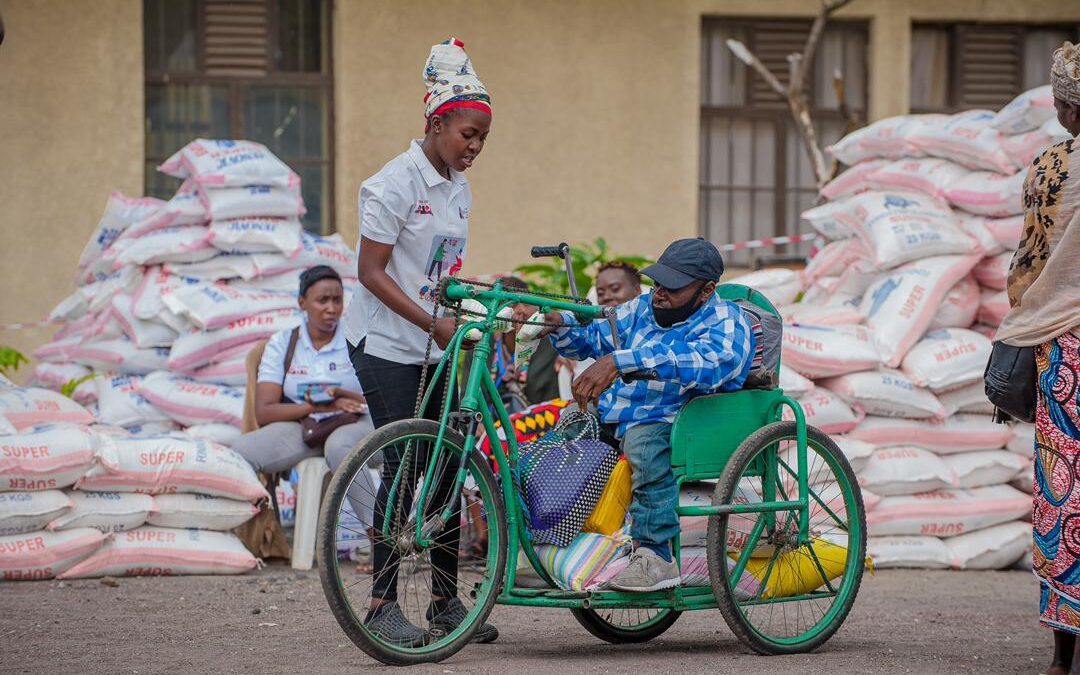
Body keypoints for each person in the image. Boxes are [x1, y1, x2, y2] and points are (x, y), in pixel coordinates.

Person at [342, 37, 497, 646]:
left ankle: (443, 603)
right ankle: (381, 605)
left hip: (435, 344)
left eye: (482, 139)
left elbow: (440, 270)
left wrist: (471, 305)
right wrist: (433, 321)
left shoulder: (457, 186)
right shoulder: (391, 186)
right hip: (385, 343)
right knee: (408, 462)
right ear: (435, 124)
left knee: (448, 463)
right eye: (466, 135)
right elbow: (371, 273)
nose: (474, 148)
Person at [531, 238, 755, 592]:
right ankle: (557, 543)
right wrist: (558, 324)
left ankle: (656, 555)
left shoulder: (726, 320)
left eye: (674, 287)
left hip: (681, 422)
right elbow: (592, 337)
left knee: (643, 443)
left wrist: (624, 360)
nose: (660, 292)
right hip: (618, 417)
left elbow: (715, 363)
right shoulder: (639, 309)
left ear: (707, 290)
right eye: (658, 282)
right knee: (560, 443)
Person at [996, 42, 1080, 675]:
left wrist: (1021, 319)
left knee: (1064, 495)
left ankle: (1062, 657)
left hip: (1065, 346)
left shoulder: (1052, 166)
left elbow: (1028, 263)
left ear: (1063, 107)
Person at [232, 265, 374, 484]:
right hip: (306, 426)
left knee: (338, 447)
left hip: (354, 424)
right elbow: (264, 411)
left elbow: (381, 399)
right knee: (241, 450)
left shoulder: (356, 338)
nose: (332, 308)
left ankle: (379, 519)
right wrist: (318, 407)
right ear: (302, 303)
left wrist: (340, 394)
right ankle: (260, 515)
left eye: (337, 300)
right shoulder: (283, 343)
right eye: (322, 300)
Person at [555, 260, 644, 383]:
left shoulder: (649, 324)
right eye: (600, 293)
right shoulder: (600, 329)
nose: (607, 296)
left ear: (637, 289)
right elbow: (583, 335)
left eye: (615, 289)